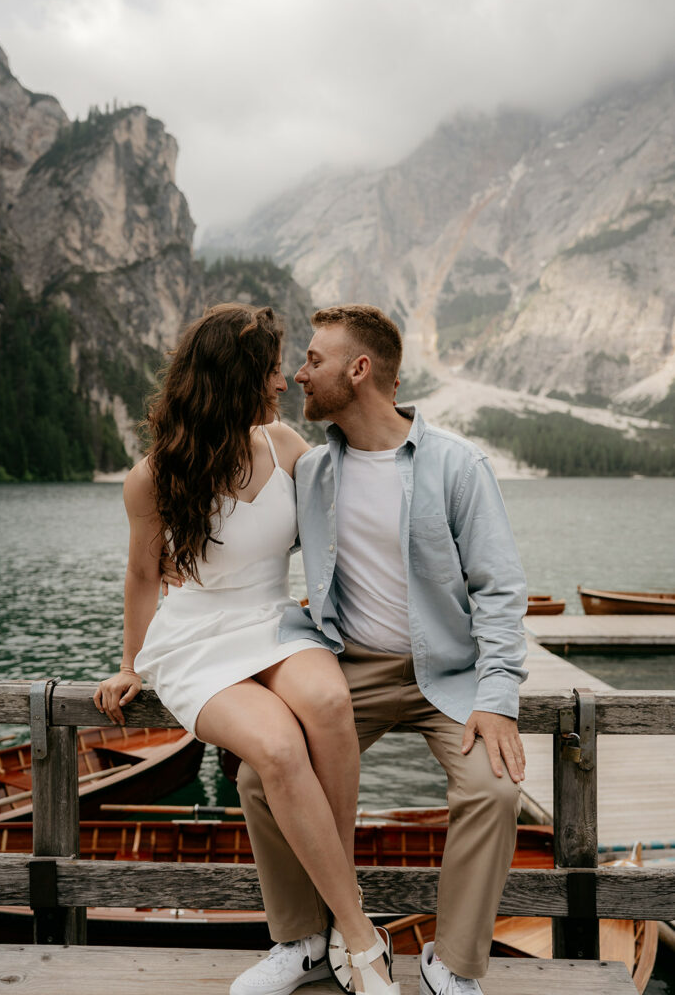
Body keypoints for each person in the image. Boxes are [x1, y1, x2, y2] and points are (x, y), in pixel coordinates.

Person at [93, 303, 399, 995]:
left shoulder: (285, 445)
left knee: (327, 701)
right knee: (279, 750)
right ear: (233, 382)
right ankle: (359, 940)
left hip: (274, 620)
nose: (283, 383)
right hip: (198, 638)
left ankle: (324, 921)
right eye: (268, 372)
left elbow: (354, 510)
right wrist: (129, 664)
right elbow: (143, 577)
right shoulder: (153, 477)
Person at [229, 304, 529, 995]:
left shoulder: (457, 465)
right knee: (258, 775)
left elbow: (501, 590)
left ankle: (451, 965)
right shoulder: (311, 473)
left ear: (359, 371)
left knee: (494, 789)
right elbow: (241, 549)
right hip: (345, 667)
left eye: (314, 361)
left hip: (448, 674)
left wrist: (498, 697)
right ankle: (303, 940)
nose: (299, 374)